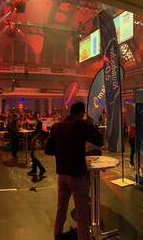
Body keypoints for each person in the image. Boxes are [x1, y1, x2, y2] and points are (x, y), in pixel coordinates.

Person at [48, 102, 103, 240]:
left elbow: (47, 150)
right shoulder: (81, 125)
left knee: (61, 209)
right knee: (82, 213)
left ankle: (57, 235)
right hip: (77, 176)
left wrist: (61, 151)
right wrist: (90, 125)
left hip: (62, 175)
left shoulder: (56, 127)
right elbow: (99, 141)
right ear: (81, 113)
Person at [28, 112, 46, 176]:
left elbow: (39, 133)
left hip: (37, 140)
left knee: (33, 155)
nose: (32, 116)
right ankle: (34, 170)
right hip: (35, 140)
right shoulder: (36, 122)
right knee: (32, 155)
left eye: (34, 115)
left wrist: (33, 139)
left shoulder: (39, 122)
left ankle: (41, 169)